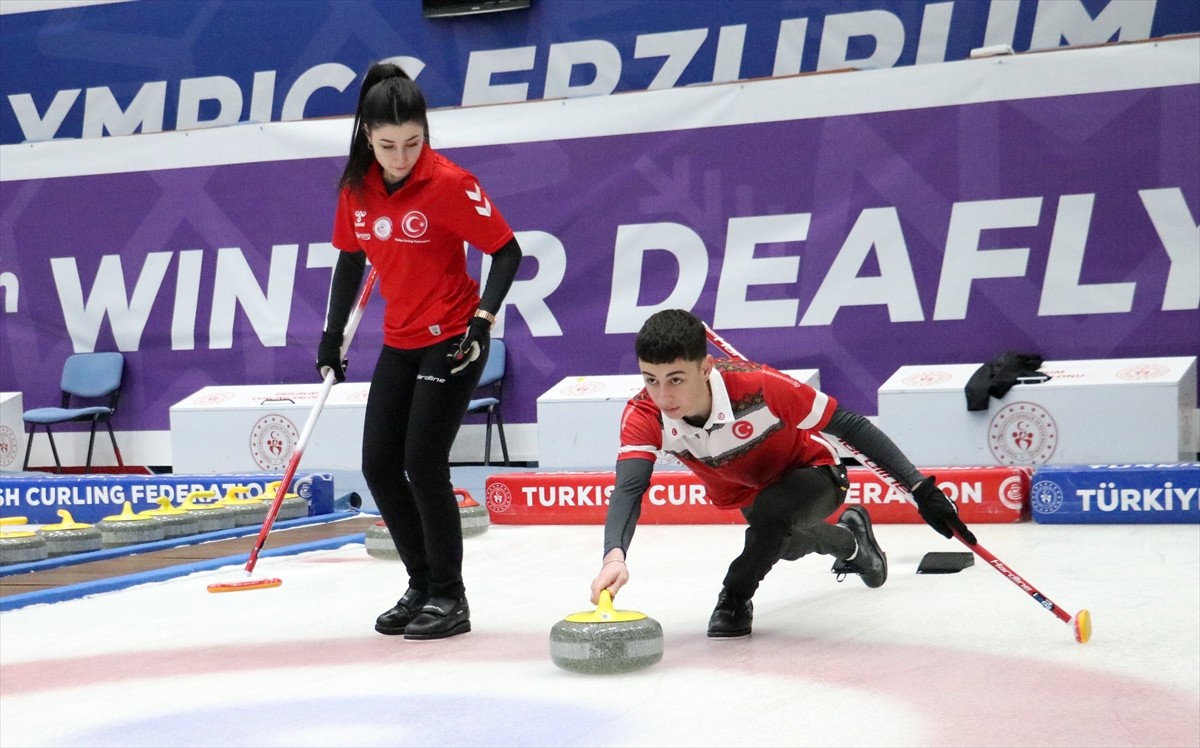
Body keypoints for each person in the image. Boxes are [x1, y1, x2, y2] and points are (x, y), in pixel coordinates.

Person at [589, 309, 976, 638]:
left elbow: (851, 425)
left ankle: (734, 597)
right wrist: (613, 557)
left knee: (771, 520)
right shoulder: (644, 415)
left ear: (706, 368)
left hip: (817, 472)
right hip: (753, 495)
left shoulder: (758, 386)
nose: (663, 396)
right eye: (650, 380)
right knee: (779, 540)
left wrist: (920, 488)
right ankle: (853, 544)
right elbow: (629, 488)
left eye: (676, 379)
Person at [317, 62, 522, 640]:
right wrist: (331, 335)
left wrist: (482, 320)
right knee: (379, 465)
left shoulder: (450, 182)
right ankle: (421, 583)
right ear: (367, 137)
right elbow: (350, 259)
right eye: (388, 145)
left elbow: (507, 251)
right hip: (400, 341)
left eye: (413, 142)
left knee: (423, 463)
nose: (402, 156)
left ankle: (450, 597)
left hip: (453, 337)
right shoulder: (356, 189)